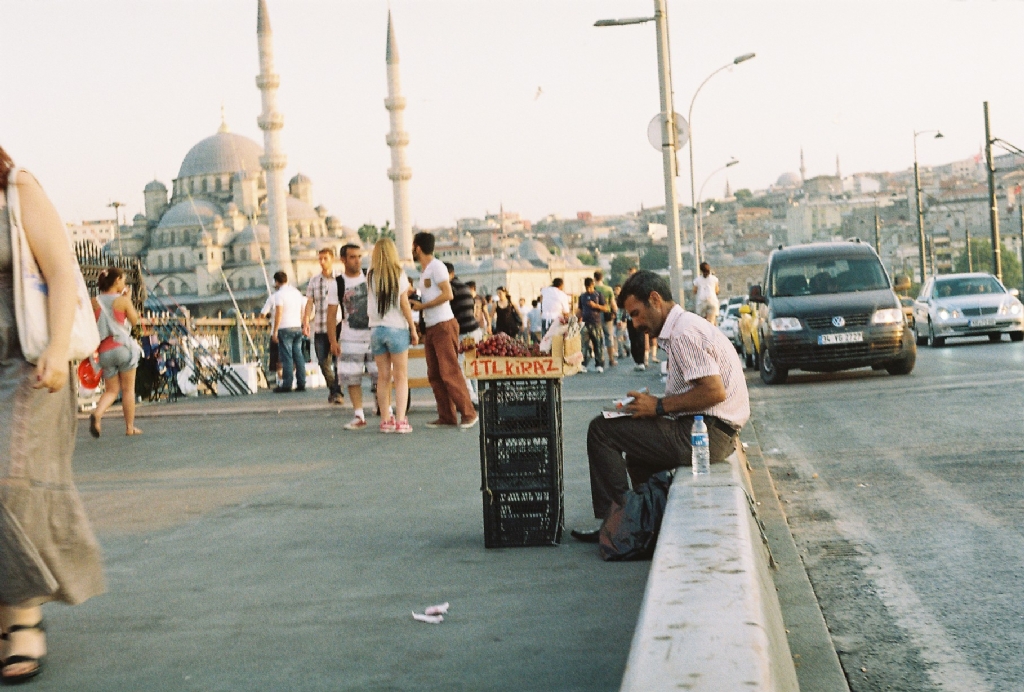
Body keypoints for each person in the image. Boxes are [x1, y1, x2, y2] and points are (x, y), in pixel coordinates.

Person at [0, 148, 105, 683]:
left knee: (10, 483)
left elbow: (62, 270)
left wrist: (60, 345)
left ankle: (21, 615)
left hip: (26, 361)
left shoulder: (16, 188)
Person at [571, 270, 749, 542]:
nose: (635, 323)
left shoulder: (683, 333)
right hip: (709, 431)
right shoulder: (684, 326)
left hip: (707, 434)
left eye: (636, 313)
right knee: (637, 451)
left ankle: (617, 525)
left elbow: (714, 391)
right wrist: (646, 404)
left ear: (655, 299)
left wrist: (658, 406)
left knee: (601, 430)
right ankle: (646, 521)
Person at [409, 232, 477, 429]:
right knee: (435, 373)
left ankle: (468, 413)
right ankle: (446, 415)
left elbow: (448, 294)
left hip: (443, 324)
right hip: (432, 326)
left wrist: (422, 306)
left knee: (449, 371)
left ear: (417, 247)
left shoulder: (437, 267)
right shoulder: (427, 270)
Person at [367, 239, 418, 433]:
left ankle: (386, 420)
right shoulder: (399, 274)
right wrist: (412, 328)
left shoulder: (371, 275)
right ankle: (400, 420)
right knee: (401, 376)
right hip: (396, 328)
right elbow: (404, 303)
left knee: (383, 377)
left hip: (376, 330)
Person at [89, 267, 143, 436]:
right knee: (128, 389)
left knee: (111, 391)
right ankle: (129, 427)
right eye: (123, 280)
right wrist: (127, 300)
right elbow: (135, 322)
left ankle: (97, 414)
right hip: (122, 348)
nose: (125, 283)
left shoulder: (94, 302)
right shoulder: (122, 301)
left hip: (104, 352)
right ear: (117, 280)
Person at [335, 243, 379, 430]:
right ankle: (359, 414)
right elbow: (331, 313)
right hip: (350, 337)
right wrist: (332, 340)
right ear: (343, 259)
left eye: (359, 256)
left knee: (380, 375)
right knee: (352, 378)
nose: (357, 260)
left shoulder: (370, 277)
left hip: (373, 335)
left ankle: (386, 411)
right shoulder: (337, 284)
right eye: (352, 257)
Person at [302, 247, 343, 404]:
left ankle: (337, 392)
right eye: (320, 259)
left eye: (325, 258)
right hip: (320, 325)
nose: (322, 262)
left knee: (339, 360)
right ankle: (334, 388)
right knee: (322, 361)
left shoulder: (340, 279)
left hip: (338, 324)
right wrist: (306, 320)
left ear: (332, 259)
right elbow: (310, 302)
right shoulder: (314, 280)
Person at [448, 264, 481, 406]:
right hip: (475, 330)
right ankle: (478, 396)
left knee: (461, 366)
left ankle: (472, 398)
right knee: (472, 366)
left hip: (465, 333)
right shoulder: (464, 287)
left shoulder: (451, 288)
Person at [271, 270, 307, 392]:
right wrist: (302, 323)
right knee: (298, 355)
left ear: (276, 281)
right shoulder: (297, 293)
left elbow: (279, 313)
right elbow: (303, 308)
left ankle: (287, 384)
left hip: (284, 328)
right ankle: (301, 383)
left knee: (287, 357)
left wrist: (275, 331)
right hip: (297, 327)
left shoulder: (279, 295)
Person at [577, 277, 606, 373]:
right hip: (585, 323)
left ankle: (599, 364)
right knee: (584, 346)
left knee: (597, 344)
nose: (588, 290)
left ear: (593, 286)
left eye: (590, 287)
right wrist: (577, 320)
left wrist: (596, 306)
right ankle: (583, 364)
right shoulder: (582, 296)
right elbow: (580, 310)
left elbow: (606, 308)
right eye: (586, 288)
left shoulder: (598, 295)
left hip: (596, 322)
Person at [624, 267, 647, 371]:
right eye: (630, 274)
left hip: (640, 315)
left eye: (633, 274)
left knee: (640, 338)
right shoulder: (626, 288)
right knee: (632, 338)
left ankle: (641, 361)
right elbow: (622, 304)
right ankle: (637, 360)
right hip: (629, 316)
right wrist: (621, 318)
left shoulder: (641, 287)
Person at [593, 270, 618, 367]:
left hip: (595, 315)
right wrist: (615, 313)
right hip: (607, 314)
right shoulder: (608, 289)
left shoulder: (593, 288)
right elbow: (613, 304)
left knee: (597, 338)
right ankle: (611, 359)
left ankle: (600, 360)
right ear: (602, 278)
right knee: (609, 337)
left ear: (594, 278)